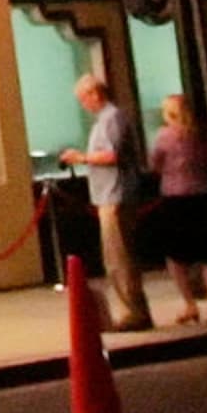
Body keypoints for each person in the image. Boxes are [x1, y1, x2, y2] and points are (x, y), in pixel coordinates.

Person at [58, 74, 154, 331]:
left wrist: (82, 158)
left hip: (116, 194)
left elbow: (112, 155)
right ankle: (132, 309)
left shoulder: (112, 118)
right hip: (107, 195)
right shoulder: (105, 120)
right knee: (115, 257)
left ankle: (133, 311)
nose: (83, 104)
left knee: (119, 257)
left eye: (83, 99)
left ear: (95, 94)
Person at [145, 93, 207, 324]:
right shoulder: (201, 135)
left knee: (175, 256)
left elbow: (154, 165)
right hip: (204, 196)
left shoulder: (164, 136)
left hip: (175, 199)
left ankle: (190, 304)